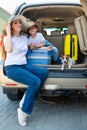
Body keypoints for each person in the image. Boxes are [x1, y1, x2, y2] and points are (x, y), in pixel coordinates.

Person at [3, 15, 48, 127]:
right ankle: (23, 111)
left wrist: (45, 47)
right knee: (35, 82)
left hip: (24, 65)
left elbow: (31, 46)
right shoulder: (7, 38)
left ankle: (26, 98)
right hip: (12, 67)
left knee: (43, 72)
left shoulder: (24, 38)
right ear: (11, 26)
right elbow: (9, 49)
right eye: (15, 23)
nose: (18, 24)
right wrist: (8, 33)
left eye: (19, 22)